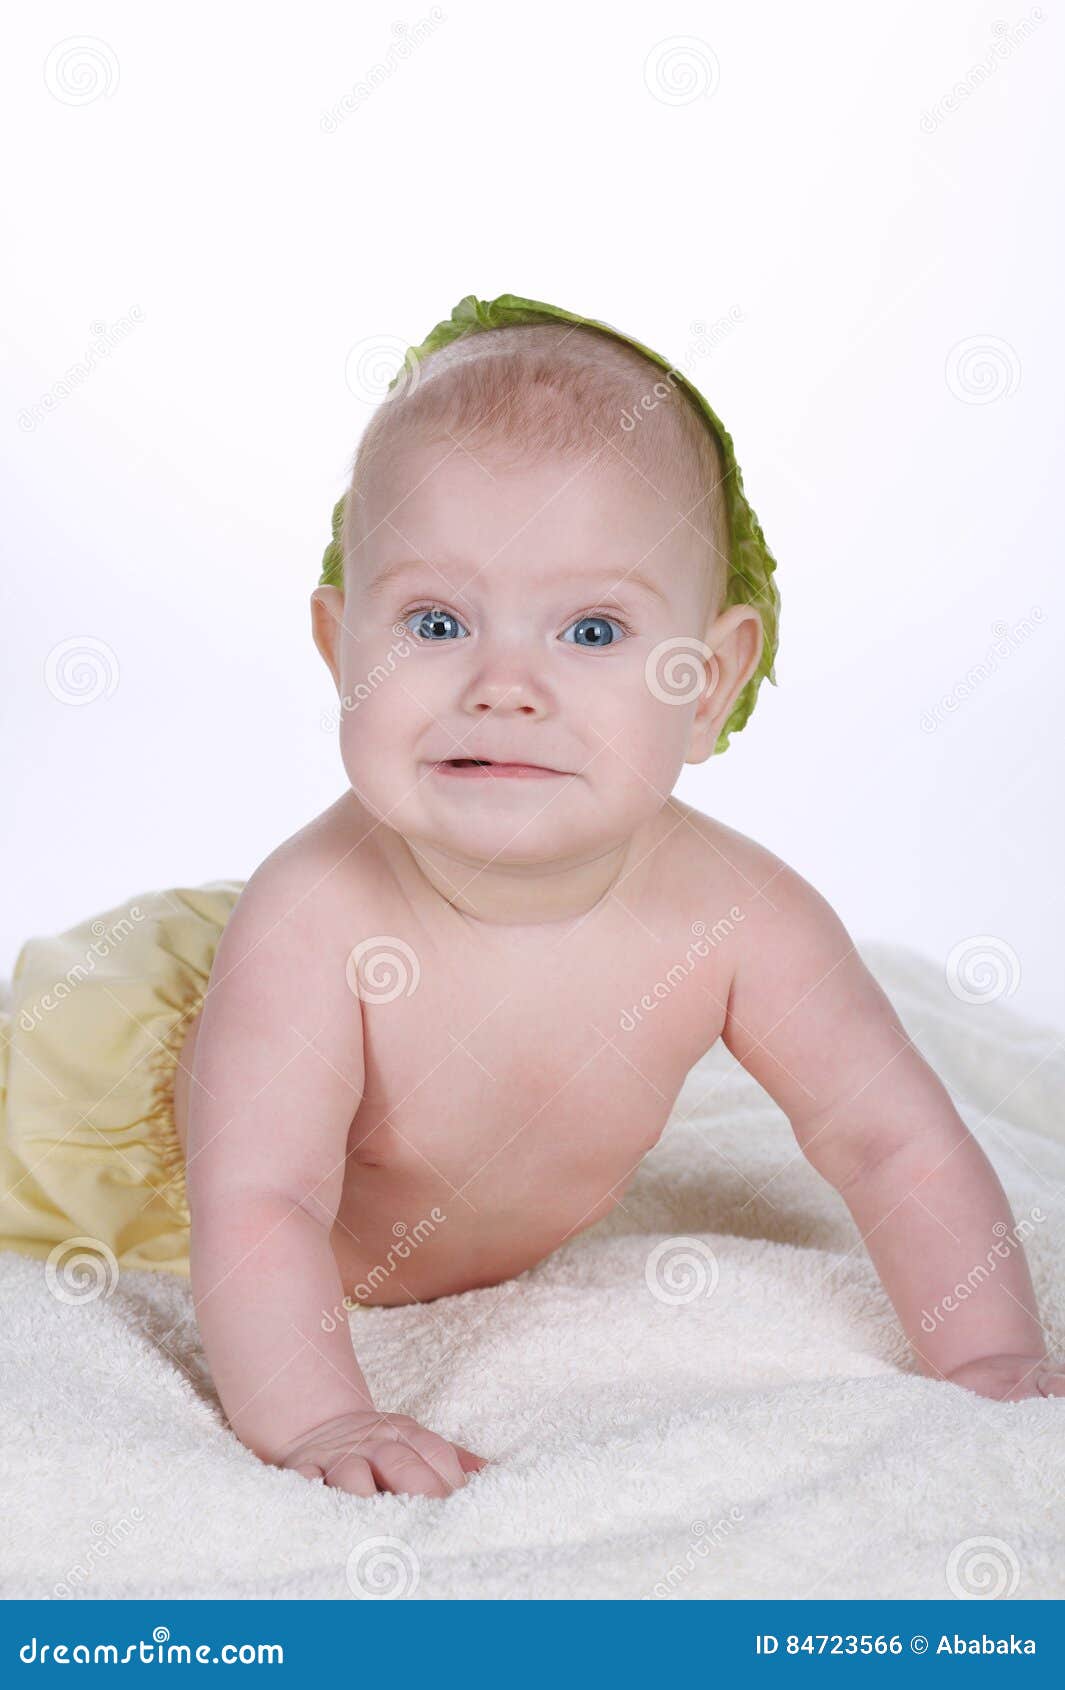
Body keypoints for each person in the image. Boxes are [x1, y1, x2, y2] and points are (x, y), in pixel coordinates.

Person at [3, 292, 1061, 1502]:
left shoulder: (741, 915)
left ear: (709, 680)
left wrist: (988, 1352)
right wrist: (318, 1419)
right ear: (340, 645)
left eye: (594, 629)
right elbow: (265, 1200)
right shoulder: (318, 917)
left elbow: (895, 1142)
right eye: (438, 621)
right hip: (110, 1128)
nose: (505, 684)